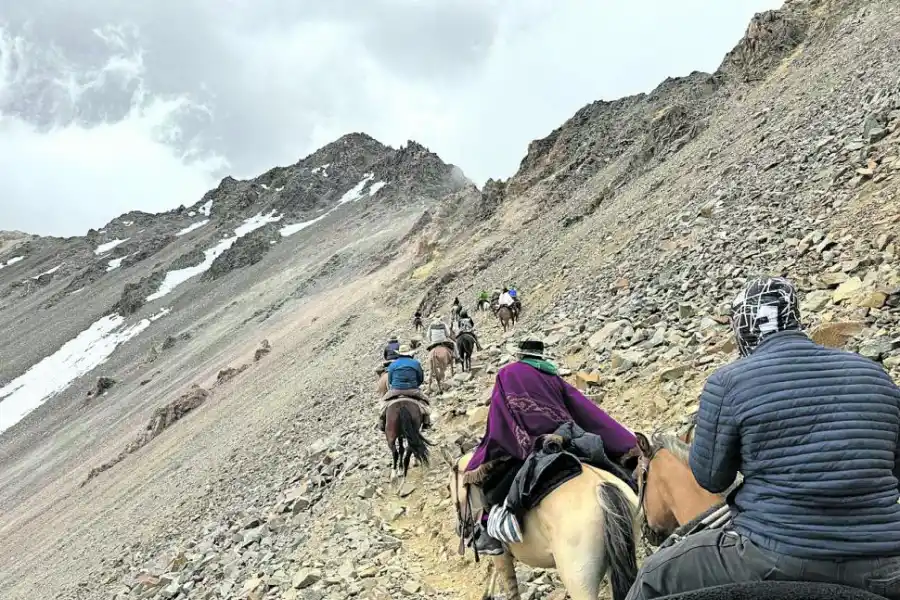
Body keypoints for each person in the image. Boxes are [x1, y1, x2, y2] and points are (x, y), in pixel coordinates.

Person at [626, 277, 900, 600]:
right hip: (884, 562)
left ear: (742, 329)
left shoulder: (726, 382)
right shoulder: (875, 375)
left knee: (653, 576)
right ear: (795, 318)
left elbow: (711, 478)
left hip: (775, 555)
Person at [466, 339, 638, 555]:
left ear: (520, 354)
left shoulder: (508, 373)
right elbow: (583, 408)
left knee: (492, 488)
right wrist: (622, 439)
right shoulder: (553, 376)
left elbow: (500, 412)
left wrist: (497, 442)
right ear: (539, 356)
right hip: (563, 438)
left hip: (531, 442)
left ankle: (491, 535)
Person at [381, 344, 431, 430]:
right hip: (413, 390)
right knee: (426, 403)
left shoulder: (393, 365)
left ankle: (382, 423)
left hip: (396, 390)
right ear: (410, 354)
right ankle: (427, 422)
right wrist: (415, 385)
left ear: (399, 354)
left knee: (383, 404)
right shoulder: (416, 363)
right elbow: (421, 379)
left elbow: (390, 381)